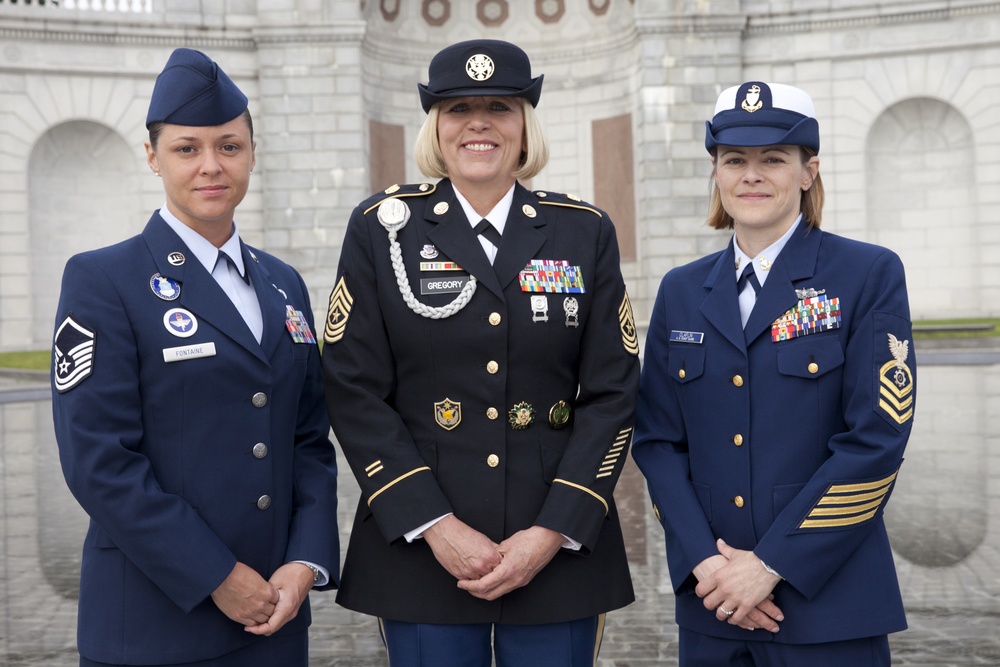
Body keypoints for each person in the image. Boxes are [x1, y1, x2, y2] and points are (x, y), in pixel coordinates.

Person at [321, 39, 639, 667]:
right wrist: (433, 524)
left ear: (526, 127)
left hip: (557, 543)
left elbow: (612, 391)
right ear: (435, 128)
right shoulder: (383, 227)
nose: (479, 123)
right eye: (457, 107)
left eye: (500, 105)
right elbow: (352, 386)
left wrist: (553, 531)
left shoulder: (584, 230)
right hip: (420, 546)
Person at [50, 48, 339, 667]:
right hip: (155, 624)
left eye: (229, 146)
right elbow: (99, 461)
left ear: (253, 154)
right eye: (187, 148)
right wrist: (214, 575)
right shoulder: (105, 279)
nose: (211, 166)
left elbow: (308, 440)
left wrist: (304, 563)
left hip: (275, 619)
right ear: (152, 157)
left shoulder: (284, 283)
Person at [632, 81, 915, 666]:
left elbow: (877, 441)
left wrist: (769, 566)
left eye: (773, 160)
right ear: (716, 173)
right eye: (734, 160)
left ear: (808, 172)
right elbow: (658, 441)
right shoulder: (681, 290)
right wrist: (708, 565)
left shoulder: (867, 273)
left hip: (828, 604)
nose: (751, 175)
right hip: (713, 606)